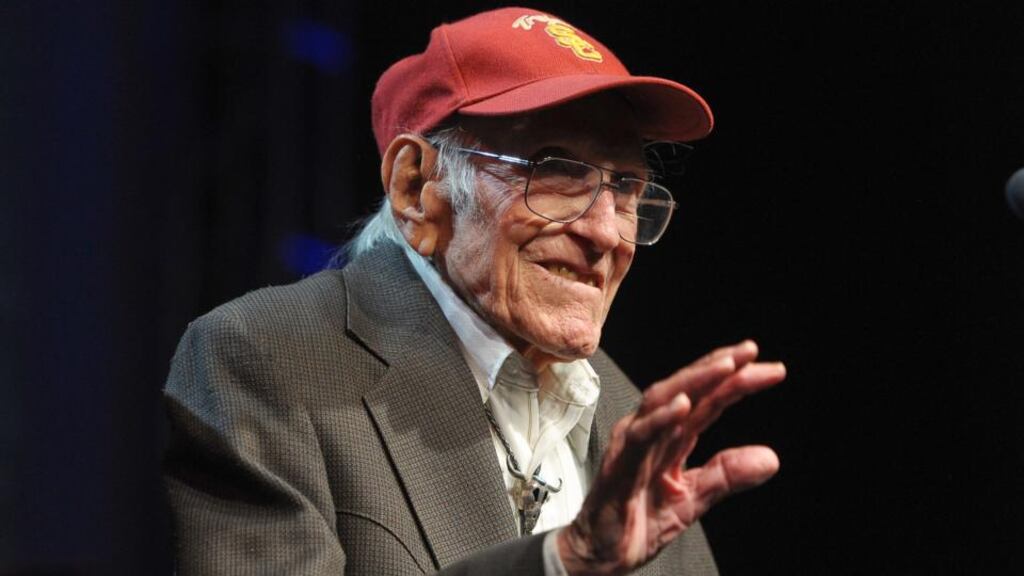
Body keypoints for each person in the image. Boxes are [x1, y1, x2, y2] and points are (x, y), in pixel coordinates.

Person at [163, 7, 786, 575]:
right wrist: (560, 561)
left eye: (625, 187)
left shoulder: (632, 420)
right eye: (557, 171)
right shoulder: (271, 361)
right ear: (416, 189)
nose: (604, 231)